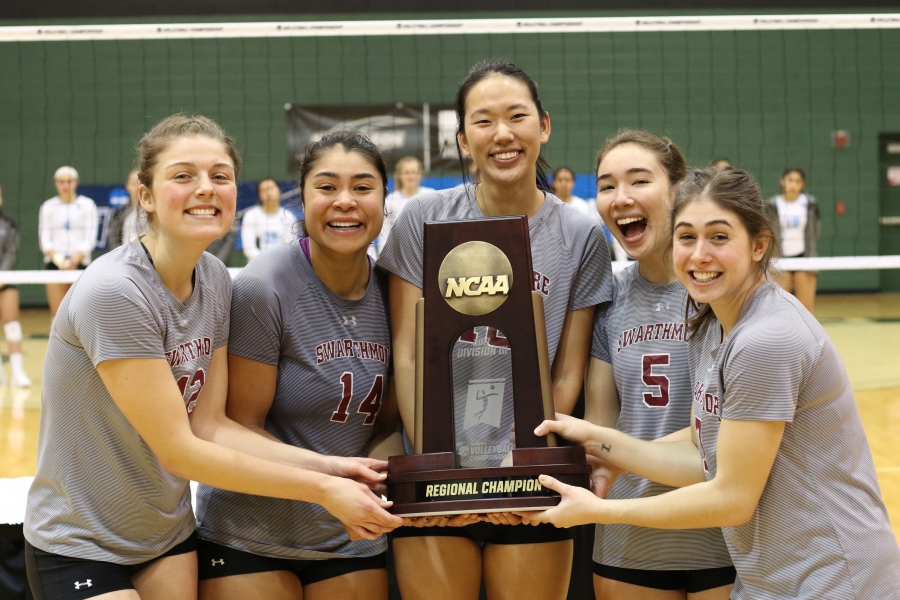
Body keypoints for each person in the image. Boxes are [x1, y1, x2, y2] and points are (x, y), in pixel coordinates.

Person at [24, 114, 401, 600]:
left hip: (167, 535)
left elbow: (212, 426)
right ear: (146, 196)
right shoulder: (115, 292)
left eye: (220, 176)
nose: (205, 188)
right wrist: (324, 490)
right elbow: (180, 450)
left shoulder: (217, 279)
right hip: (81, 540)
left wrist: (331, 468)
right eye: (183, 176)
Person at [519, 167, 900, 599]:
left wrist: (601, 511)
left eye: (719, 237)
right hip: (772, 578)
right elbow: (706, 449)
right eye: (686, 237)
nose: (700, 255)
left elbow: (731, 498)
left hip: (834, 579)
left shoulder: (766, 339)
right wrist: (601, 441)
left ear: (759, 245)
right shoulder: (711, 322)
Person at [378, 60, 613, 600]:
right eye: (483, 122)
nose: (502, 134)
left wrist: (513, 470)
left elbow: (567, 372)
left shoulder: (579, 235)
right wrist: (445, 464)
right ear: (463, 140)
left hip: (530, 478)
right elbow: (408, 355)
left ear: (544, 126)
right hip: (438, 479)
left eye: (517, 116)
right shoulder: (424, 218)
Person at [196, 131, 400, 600]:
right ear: (303, 201)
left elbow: (390, 422)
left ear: (384, 201)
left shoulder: (396, 291)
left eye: (363, 187)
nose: (344, 201)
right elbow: (239, 427)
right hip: (250, 531)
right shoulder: (264, 286)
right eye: (326, 187)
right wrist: (329, 481)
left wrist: (372, 482)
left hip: (350, 532)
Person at [587, 130, 733, 599]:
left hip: (723, 536)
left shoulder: (727, 295)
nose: (620, 197)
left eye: (638, 180)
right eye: (606, 185)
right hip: (630, 533)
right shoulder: (608, 303)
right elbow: (601, 419)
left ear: (678, 190)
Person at [38, 166, 99, 317]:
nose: (66, 185)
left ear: (76, 182)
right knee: (57, 315)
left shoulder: (88, 205)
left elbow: (90, 237)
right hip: (55, 264)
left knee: (80, 315)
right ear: (55, 183)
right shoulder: (48, 206)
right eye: (61, 182)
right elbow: (45, 240)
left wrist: (74, 260)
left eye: (69, 181)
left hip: (80, 264)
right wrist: (61, 262)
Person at [766, 167, 820, 313]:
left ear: (802, 184)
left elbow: (815, 229)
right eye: (790, 180)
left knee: (806, 310)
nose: (793, 185)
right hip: (780, 260)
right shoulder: (773, 204)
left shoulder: (810, 203)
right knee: (780, 309)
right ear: (783, 181)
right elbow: (768, 232)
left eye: (797, 181)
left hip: (804, 258)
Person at [553, 165, 628, 263]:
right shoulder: (547, 204)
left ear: (573, 183)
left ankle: (622, 262)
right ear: (553, 182)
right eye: (560, 180)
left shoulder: (582, 206)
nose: (564, 183)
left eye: (567, 180)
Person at [0, 183, 32, 387]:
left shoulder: (9, 222)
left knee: (12, 325)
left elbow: (11, 252)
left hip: (5, 278)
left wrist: (2, 275)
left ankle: (18, 372)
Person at [371, 156, 434, 257]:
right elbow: (385, 232)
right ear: (400, 175)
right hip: (400, 255)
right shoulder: (390, 200)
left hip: (427, 252)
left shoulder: (430, 195)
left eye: (414, 172)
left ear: (420, 175)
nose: (411, 176)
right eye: (407, 172)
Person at [240, 178, 298, 261]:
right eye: (264, 190)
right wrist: (265, 262)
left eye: (271, 188)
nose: (268, 193)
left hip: (282, 265)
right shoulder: (251, 215)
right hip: (257, 265)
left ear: (279, 190)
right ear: (259, 195)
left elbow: (289, 248)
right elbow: (249, 249)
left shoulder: (288, 216)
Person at [108, 169, 141, 250]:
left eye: (140, 183)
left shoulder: (154, 212)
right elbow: (113, 238)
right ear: (127, 186)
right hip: (126, 257)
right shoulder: (120, 212)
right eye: (133, 183)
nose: (137, 187)